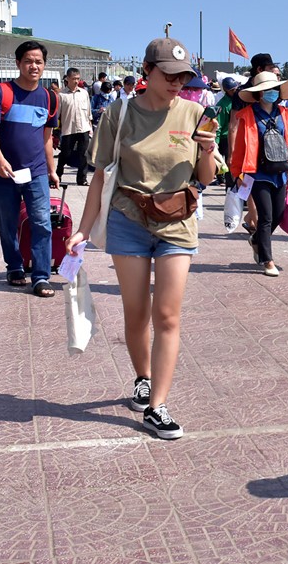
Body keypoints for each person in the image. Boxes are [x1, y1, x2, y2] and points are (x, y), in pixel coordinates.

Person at [66, 37, 217, 440]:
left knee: (167, 316)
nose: (177, 83)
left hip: (176, 223)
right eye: (169, 75)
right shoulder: (118, 113)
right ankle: (143, 378)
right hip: (128, 220)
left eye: (183, 76)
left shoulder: (195, 113)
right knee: (136, 313)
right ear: (147, 71)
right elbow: (101, 177)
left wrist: (207, 151)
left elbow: (205, 178)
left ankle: (157, 406)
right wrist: (83, 228)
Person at [0, 40, 60, 298]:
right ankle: (15, 266)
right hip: (4, 173)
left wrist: (51, 170)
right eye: (28, 61)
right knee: (7, 223)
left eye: (38, 61)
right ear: (18, 63)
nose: (33, 66)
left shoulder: (50, 98)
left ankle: (41, 276)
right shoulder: (2, 92)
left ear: (44, 65)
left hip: (36, 172)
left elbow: (47, 138)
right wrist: (0, 160)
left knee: (42, 222)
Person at [228, 71, 288, 276]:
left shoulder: (283, 113)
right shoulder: (248, 114)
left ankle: (257, 239)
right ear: (259, 93)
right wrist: (237, 173)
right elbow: (241, 147)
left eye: (275, 89)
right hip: (257, 173)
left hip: (280, 173)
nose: (272, 93)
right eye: (268, 90)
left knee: (279, 214)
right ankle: (268, 260)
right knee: (266, 216)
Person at [56, 68, 94, 186]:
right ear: (67, 79)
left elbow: (88, 111)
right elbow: (57, 114)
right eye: (73, 79)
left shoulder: (84, 93)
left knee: (84, 155)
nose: (76, 81)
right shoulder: (61, 95)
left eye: (78, 78)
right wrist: (55, 130)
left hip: (83, 128)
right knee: (65, 154)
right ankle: (57, 175)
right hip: (68, 129)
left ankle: (82, 179)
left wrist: (90, 127)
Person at [214, 77, 240, 187]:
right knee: (229, 162)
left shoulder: (239, 100)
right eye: (232, 90)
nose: (235, 91)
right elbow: (218, 125)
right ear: (226, 90)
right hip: (226, 137)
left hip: (238, 135)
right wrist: (216, 142)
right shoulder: (223, 105)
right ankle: (228, 185)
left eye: (236, 88)